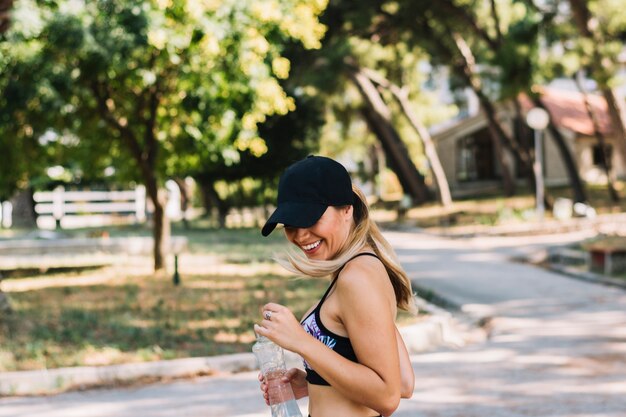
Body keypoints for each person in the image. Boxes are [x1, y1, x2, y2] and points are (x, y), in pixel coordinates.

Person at [255, 155, 416, 417]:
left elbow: (388, 397)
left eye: (310, 218)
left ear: (346, 209)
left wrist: (301, 342)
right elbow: (404, 381)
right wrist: (313, 381)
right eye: (290, 224)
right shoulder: (356, 269)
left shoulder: (357, 278)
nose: (300, 234)